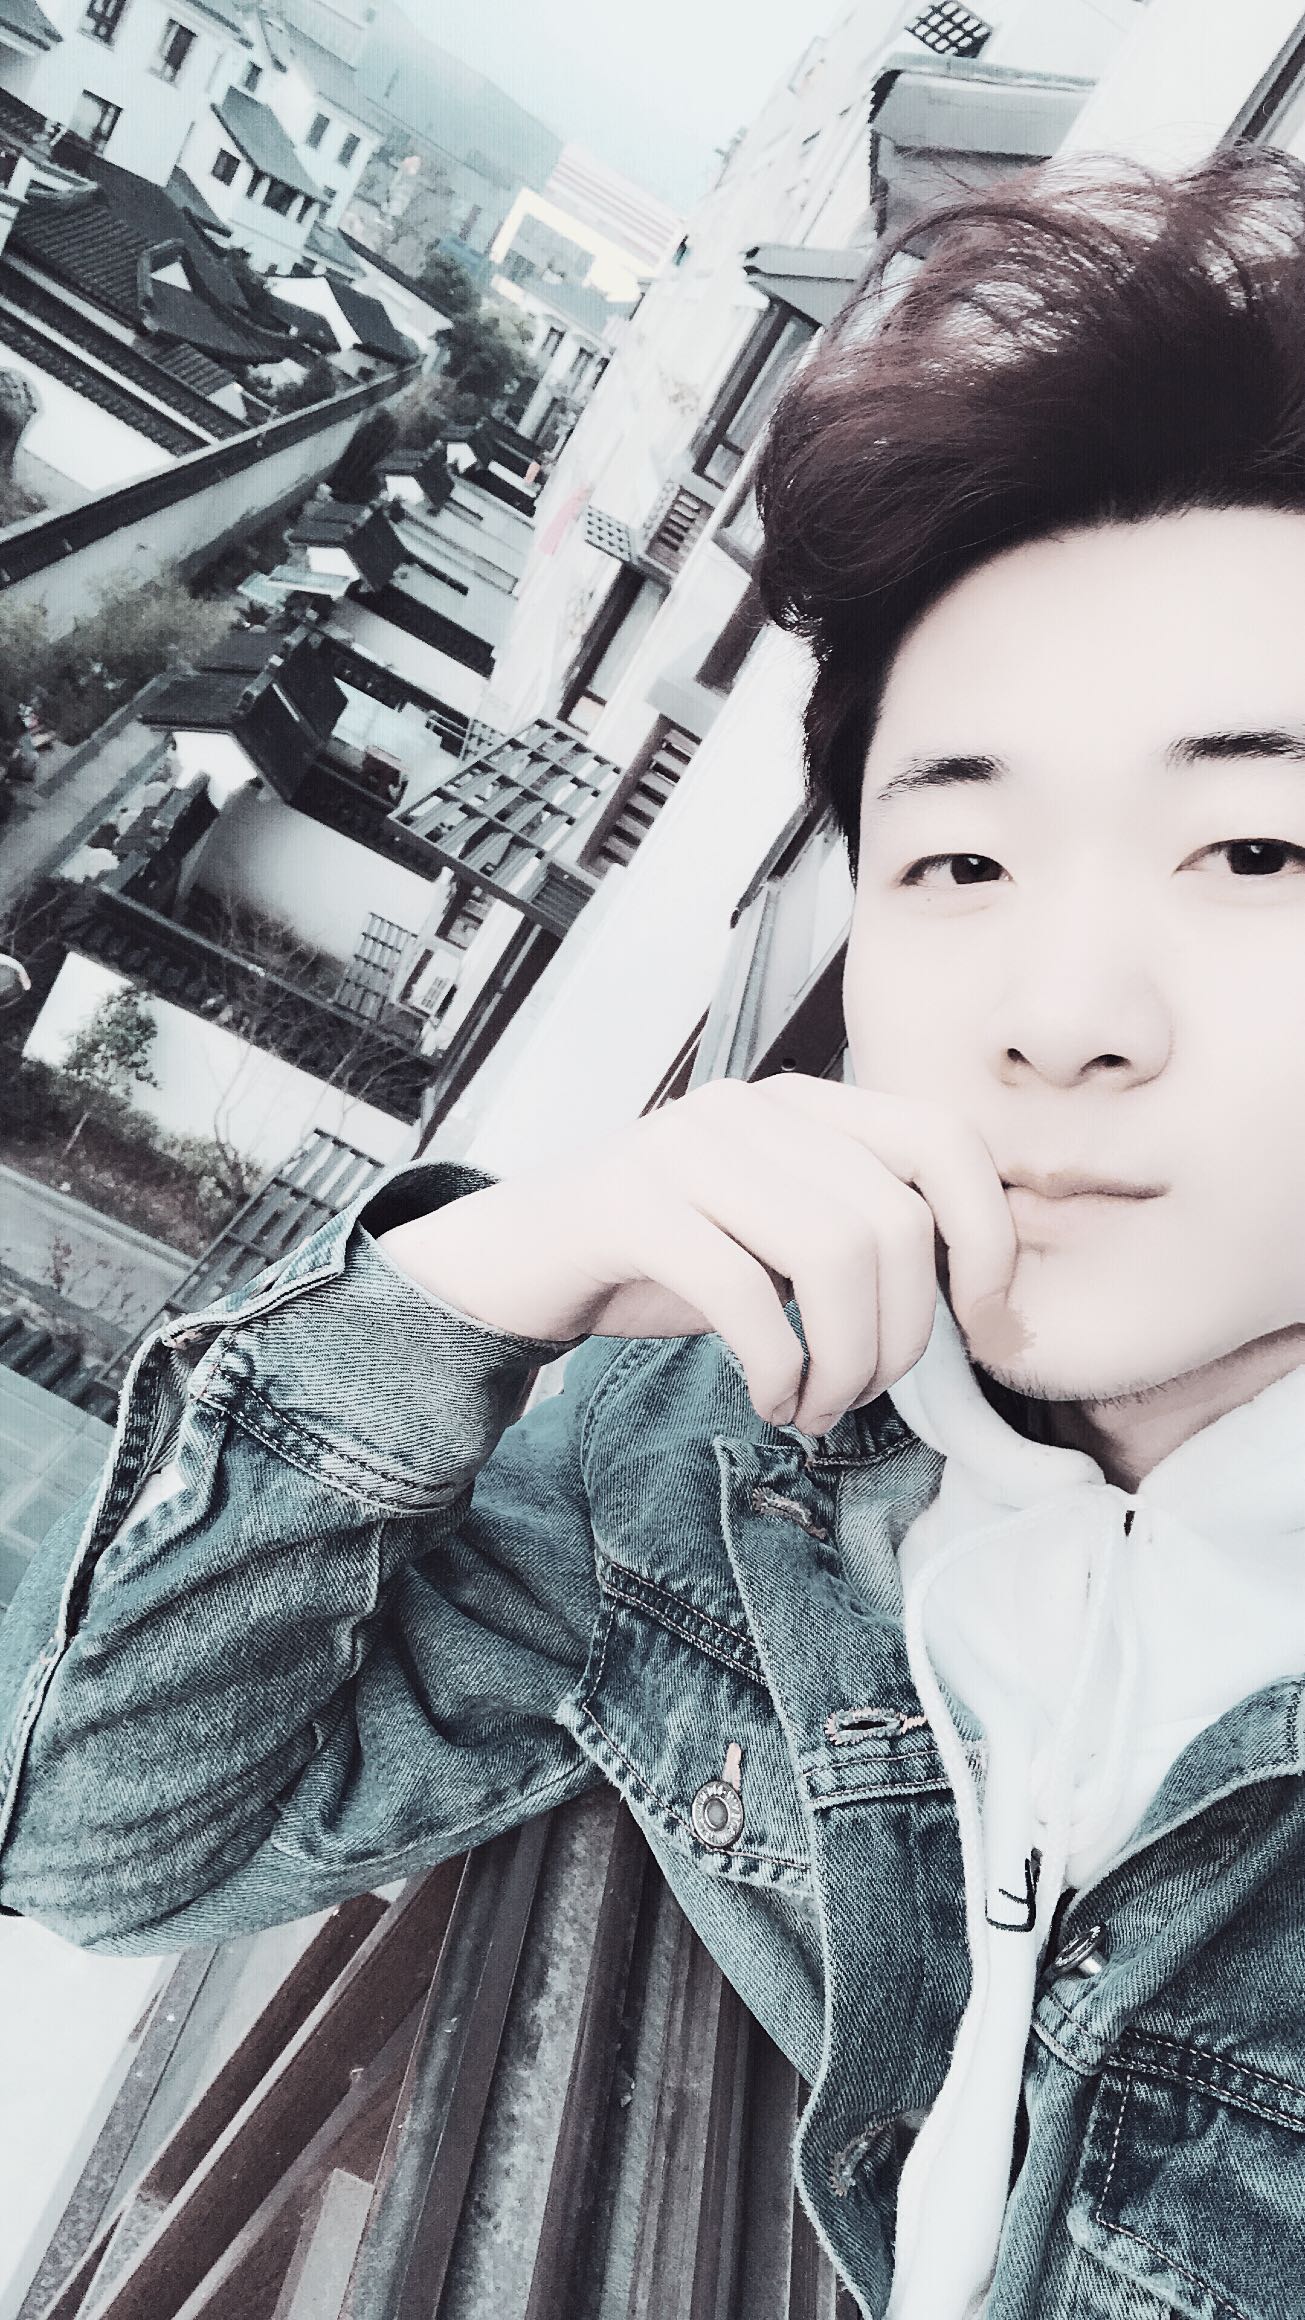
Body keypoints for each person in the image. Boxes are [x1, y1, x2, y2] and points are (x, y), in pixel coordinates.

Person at [4, 141, 1305, 2318]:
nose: (1062, 1013)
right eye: (961, 866)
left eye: (1255, 852)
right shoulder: (735, 1463)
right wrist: (479, 1279)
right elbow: (113, 1842)